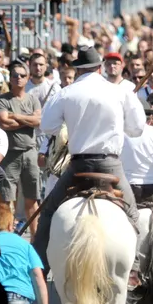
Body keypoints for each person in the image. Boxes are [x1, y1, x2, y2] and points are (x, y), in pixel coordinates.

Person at [34, 44, 145, 270]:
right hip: (111, 164)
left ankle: (38, 267)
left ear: (77, 69)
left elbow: (48, 126)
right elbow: (137, 129)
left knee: (48, 212)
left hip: (78, 165)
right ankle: (133, 268)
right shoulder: (121, 91)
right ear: (99, 67)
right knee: (132, 213)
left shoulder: (66, 92)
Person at [0, 61, 43, 227]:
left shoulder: (33, 99)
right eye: (15, 75)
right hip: (10, 153)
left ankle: (35, 241)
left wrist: (15, 116)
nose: (18, 78)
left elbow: (38, 121)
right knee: (6, 199)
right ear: (10, 78)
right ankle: (6, 235)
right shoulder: (2, 99)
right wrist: (28, 119)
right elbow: (4, 123)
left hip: (30, 152)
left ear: (27, 78)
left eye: (22, 75)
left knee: (32, 199)